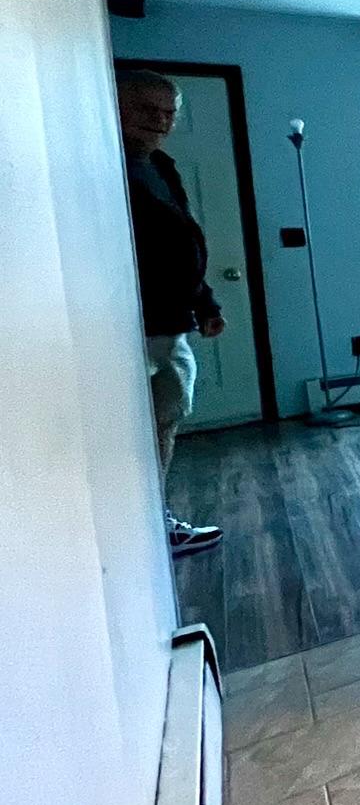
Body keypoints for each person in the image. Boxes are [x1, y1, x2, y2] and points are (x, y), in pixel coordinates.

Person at [118, 68, 225, 556]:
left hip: (170, 323)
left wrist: (204, 301)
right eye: (146, 109)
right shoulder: (102, 163)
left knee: (166, 420)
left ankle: (153, 523)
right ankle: (134, 532)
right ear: (116, 105)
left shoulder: (160, 166)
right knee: (125, 432)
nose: (159, 122)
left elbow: (181, 239)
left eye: (169, 113)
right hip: (124, 329)